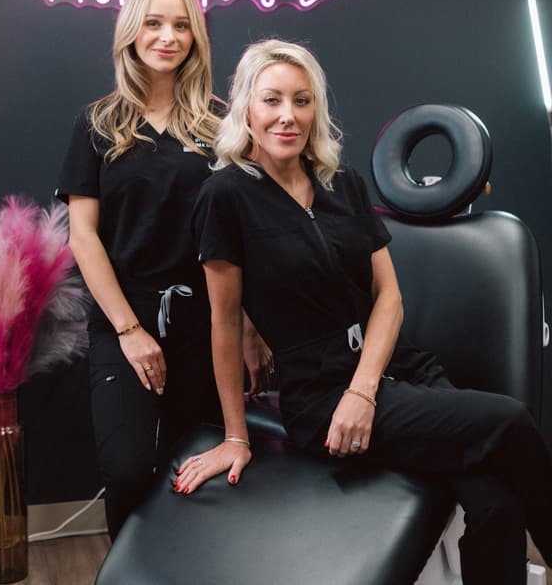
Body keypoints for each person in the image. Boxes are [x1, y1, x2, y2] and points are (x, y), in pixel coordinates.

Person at [174, 38, 552, 585]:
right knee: (511, 421)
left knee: (495, 502)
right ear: (246, 109)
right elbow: (225, 323)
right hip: (323, 396)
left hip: (393, 371)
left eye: (302, 101)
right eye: (272, 100)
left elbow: (389, 299)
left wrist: (365, 389)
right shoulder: (224, 195)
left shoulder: (341, 183)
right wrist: (236, 436)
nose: (288, 116)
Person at [55, 0, 271, 540]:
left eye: (181, 25)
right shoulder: (97, 123)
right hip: (123, 322)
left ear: (196, 37)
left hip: (207, 323)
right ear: (131, 32)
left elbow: (242, 235)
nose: (168, 36)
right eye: (154, 23)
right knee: (126, 468)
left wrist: (249, 325)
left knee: (196, 468)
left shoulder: (224, 123)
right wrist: (128, 330)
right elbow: (83, 235)